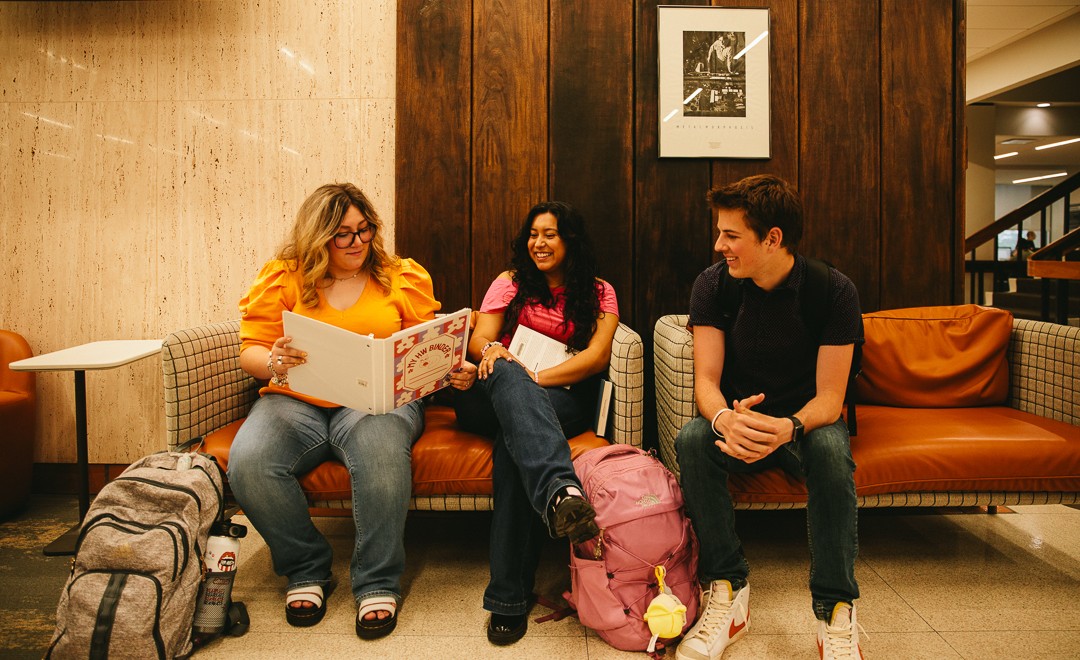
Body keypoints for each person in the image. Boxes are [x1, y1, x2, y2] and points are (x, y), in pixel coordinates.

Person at [226, 183, 476, 640]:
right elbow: (251, 352)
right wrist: (274, 361)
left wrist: (452, 369)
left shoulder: (399, 276)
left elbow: (429, 345)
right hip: (294, 401)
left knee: (380, 452)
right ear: (318, 236)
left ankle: (377, 581)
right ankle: (306, 567)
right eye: (343, 234)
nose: (358, 242)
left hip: (374, 402)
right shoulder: (284, 277)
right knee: (249, 462)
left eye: (365, 230)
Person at [674, 175, 865, 660]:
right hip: (741, 424)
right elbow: (706, 382)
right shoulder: (714, 286)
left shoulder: (832, 291)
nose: (720, 246)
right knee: (693, 438)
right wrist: (724, 420)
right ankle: (728, 590)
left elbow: (830, 400)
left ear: (773, 238)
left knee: (828, 447)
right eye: (720, 233)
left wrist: (789, 428)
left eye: (731, 236)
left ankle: (835, 610)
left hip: (804, 426)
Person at [452, 201, 620, 646]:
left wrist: (534, 380)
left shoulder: (600, 291)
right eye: (533, 234)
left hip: (560, 397)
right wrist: (501, 362)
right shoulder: (509, 282)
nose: (538, 243)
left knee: (514, 443)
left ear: (571, 241)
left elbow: (596, 356)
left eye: (549, 234)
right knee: (506, 371)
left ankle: (507, 600)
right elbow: (481, 339)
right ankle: (561, 492)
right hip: (491, 393)